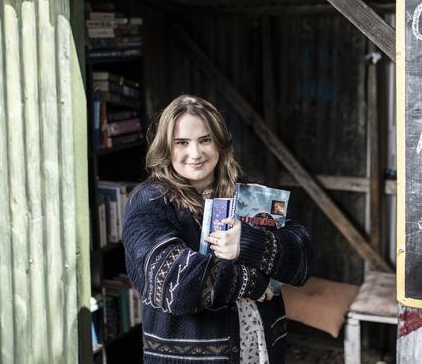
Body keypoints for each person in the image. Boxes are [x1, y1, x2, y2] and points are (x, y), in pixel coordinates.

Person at [122, 95, 313, 363]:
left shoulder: (248, 195)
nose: (196, 153)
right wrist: (253, 282)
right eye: (182, 143)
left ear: (220, 143)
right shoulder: (149, 202)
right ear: (166, 147)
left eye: (205, 140)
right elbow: (175, 283)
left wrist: (247, 242)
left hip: (260, 349)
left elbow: (302, 258)